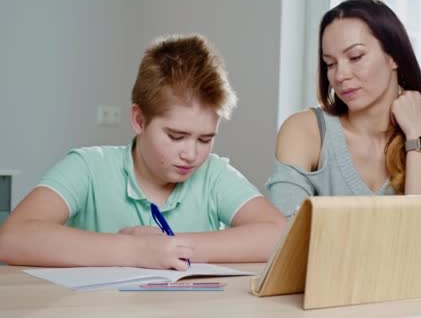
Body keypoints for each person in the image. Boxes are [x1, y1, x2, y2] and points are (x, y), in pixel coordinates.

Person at [0, 34, 286, 270]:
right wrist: (134, 250)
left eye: (205, 139)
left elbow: (279, 235)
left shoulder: (214, 174)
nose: (192, 154)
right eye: (176, 136)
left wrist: (170, 247)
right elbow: (13, 238)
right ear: (139, 120)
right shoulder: (87, 167)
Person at [267, 0, 421, 265]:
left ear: (394, 56)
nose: (340, 75)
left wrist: (416, 134)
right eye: (330, 63)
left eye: (355, 57)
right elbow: (288, 238)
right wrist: (406, 239)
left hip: (412, 298)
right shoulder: (304, 130)